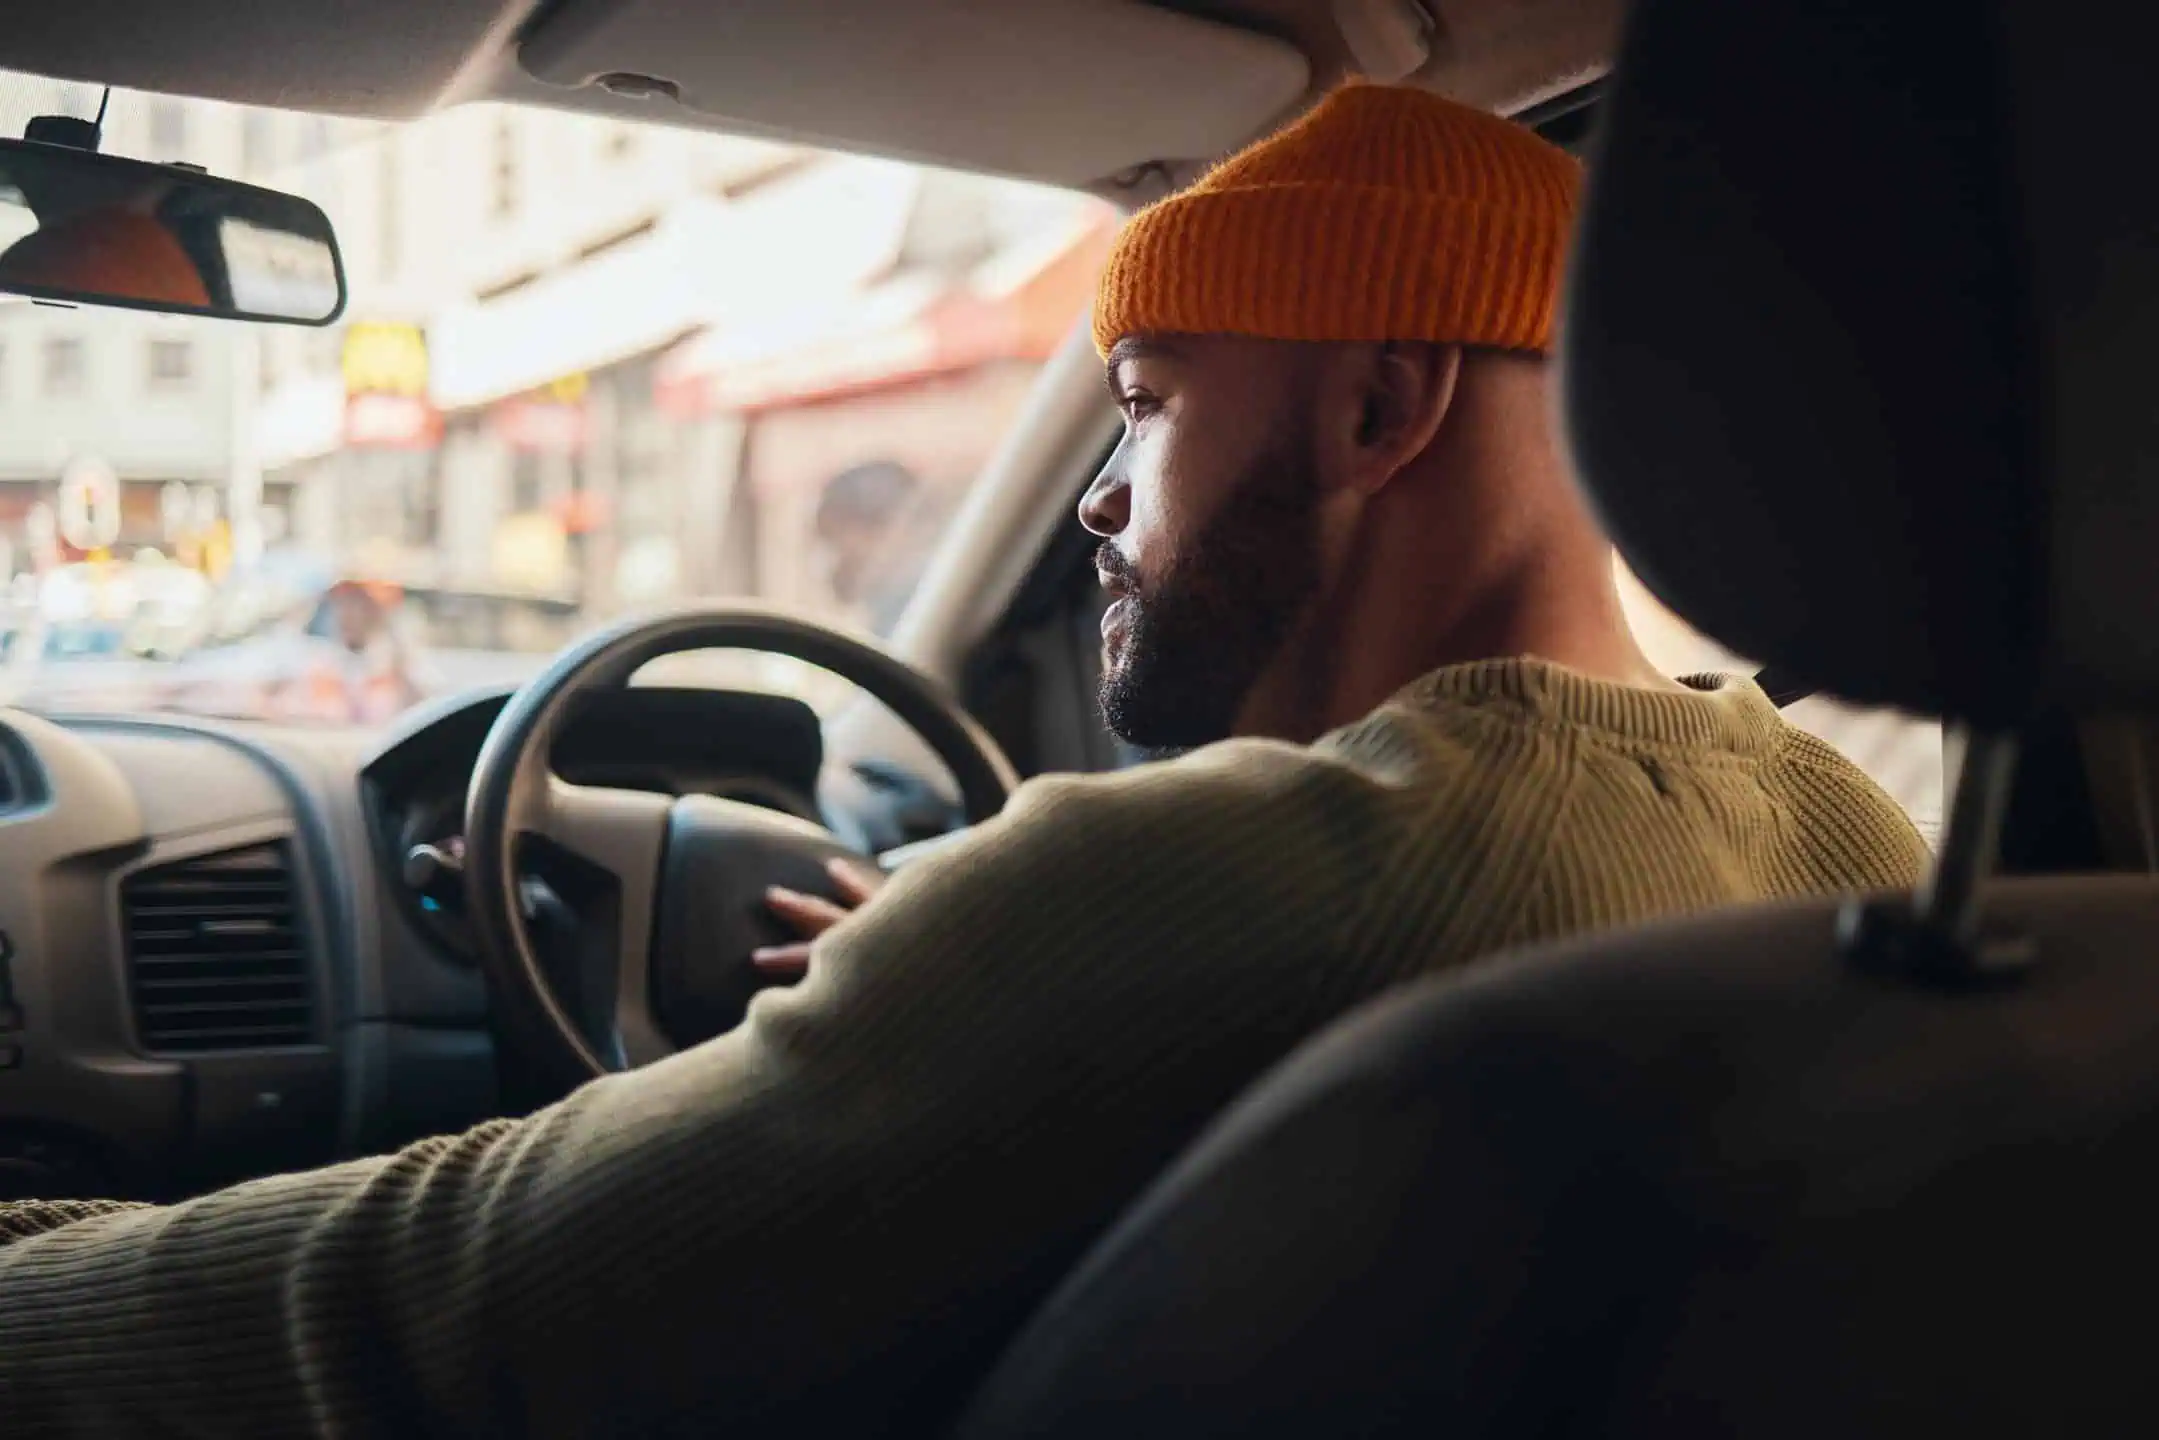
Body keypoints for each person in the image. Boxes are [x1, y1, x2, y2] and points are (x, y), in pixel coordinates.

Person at [0, 85, 1929, 1436]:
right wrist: (953, 943)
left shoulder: (1216, 888)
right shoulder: (1848, 843)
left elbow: (431, 1326)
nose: (1099, 500)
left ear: (1378, 400)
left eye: (1147, 406)